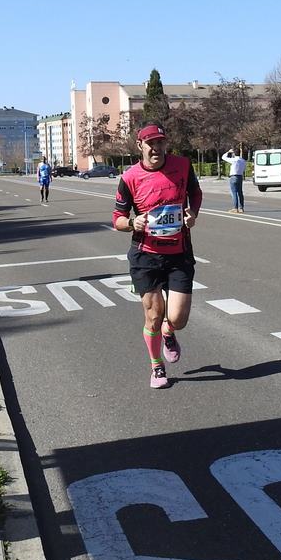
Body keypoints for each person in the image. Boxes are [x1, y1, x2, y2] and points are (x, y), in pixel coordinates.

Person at [112, 124, 202, 389]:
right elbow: (117, 218)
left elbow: (195, 193)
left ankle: (169, 332)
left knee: (177, 319)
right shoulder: (129, 177)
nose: (156, 147)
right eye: (150, 143)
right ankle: (156, 367)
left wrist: (192, 213)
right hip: (146, 256)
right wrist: (132, 223)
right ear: (140, 146)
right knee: (153, 315)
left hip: (179, 253)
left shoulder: (183, 165)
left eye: (160, 142)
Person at [221, 148, 247, 213]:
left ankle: (235, 208)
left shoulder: (234, 160)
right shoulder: (243, 161)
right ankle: (241, 208)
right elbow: (244, 169)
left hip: (233, 176)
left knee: (234, 193)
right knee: (240, 192)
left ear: (234, 153)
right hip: (240, 176)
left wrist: (228, 152)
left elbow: (223, 157)